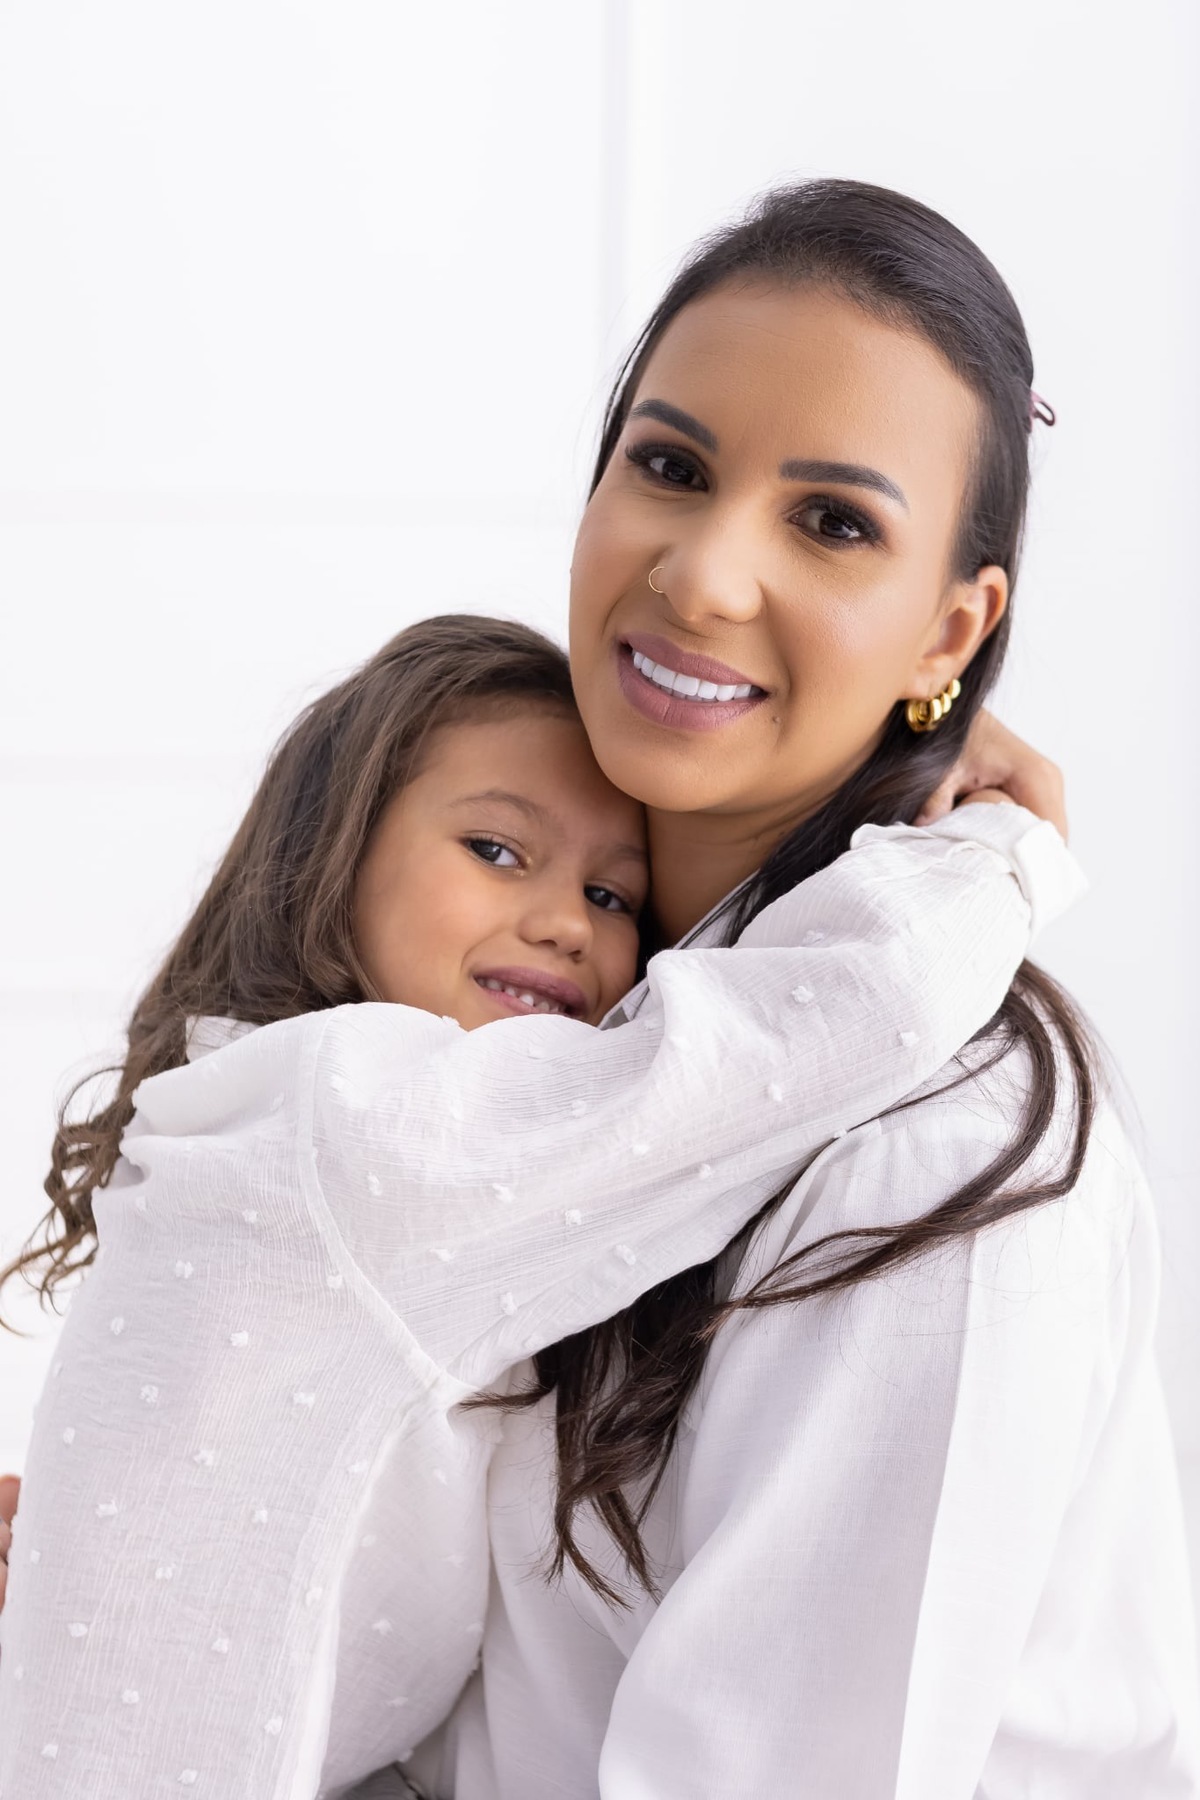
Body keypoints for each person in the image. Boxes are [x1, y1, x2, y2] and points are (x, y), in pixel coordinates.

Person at [0, 610, 1072, 1797]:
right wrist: (984, 830)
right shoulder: (348, 1129)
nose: (567, 921)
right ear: (329, 855)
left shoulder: (336, 1169)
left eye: (616, 898)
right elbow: (838, 1020)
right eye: (497, 852)